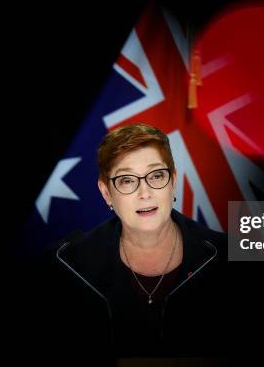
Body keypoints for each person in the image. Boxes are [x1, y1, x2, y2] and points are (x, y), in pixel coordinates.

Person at [43, 123, 227, 357]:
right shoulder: (66, 265)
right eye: (127, 180)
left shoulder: (229, 255)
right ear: (106, 192)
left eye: (156, 175)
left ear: (173, 181)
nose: (145, 193)